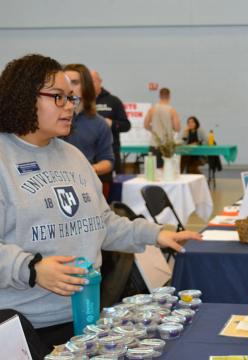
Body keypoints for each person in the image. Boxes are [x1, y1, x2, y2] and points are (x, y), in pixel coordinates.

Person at [0, 54, 201, 359]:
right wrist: (32, 268)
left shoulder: (74, 156)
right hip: (26, 329)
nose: (70, 106)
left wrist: (157, 235)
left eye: (72, 98)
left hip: (86, 322)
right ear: (25, 97)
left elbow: (102, 224)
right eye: (58, 97)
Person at [63, 64, 114, 182]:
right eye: (66, 82)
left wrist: (87, 169)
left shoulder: (99, 123)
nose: (69, 87)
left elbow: (108, 161)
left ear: (86, 86)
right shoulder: (51, 119)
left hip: (84, 183)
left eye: (74, 82)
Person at [143, 87, 181, 167]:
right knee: (167, 171)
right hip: (167, 146)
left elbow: (146, 125)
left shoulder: (152, 109)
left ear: (159, 96)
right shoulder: (172, 110)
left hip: (154, 144)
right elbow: (177, 128)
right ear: (169, 96)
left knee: (155, 171)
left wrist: (153, 130)